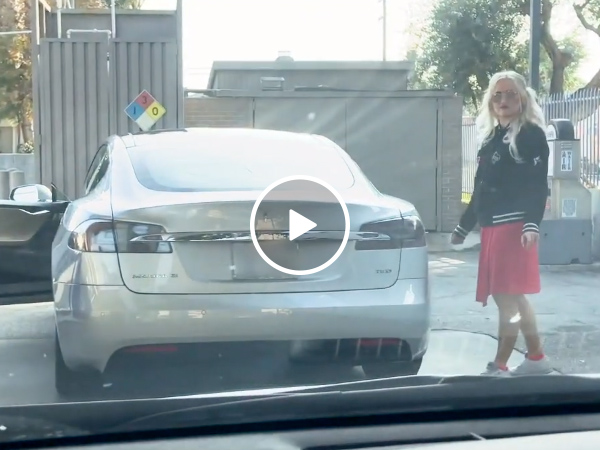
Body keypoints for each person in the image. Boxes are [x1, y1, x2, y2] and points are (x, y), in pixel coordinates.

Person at [451, 70, 552, 376]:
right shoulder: (492, 138)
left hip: (514, 228)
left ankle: (500, 364)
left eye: (510, 94)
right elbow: (480, 188)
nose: (503, 100)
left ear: (523, 99)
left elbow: (538, 185)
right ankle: (536, 359)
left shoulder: (531, 135)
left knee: (507, 297)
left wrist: (531, 224)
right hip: (493, 227)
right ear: (490, 101)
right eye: (497, 94)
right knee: (513, 296)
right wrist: (463, 226)